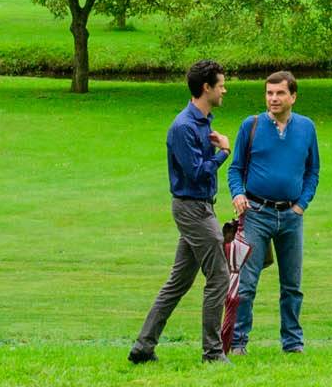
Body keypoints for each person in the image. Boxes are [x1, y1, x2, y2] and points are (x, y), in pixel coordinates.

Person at [132, 61, 235, 364]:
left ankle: (143, 347)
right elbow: (195, 174)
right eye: (221, 84)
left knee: (178, 282)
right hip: (193, 210)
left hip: (201, 207)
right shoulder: (183, 127)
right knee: (219, 276)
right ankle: (213, 353)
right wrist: (224, 153)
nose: (224, 89)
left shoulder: (202, 123)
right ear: (206, 88)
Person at [227, 69, 318, 353]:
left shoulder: (306, 127)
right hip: (256, 213)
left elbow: (312, 170)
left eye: (280, 93)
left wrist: (301, 204)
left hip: (291, 217)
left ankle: (292, 343)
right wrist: (238, 193)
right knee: (247, 283)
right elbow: (235, 168)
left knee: (292, 285)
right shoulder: (250, 125)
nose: (273, 99)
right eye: (269, 93)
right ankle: (239, 342)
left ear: (293, 96)